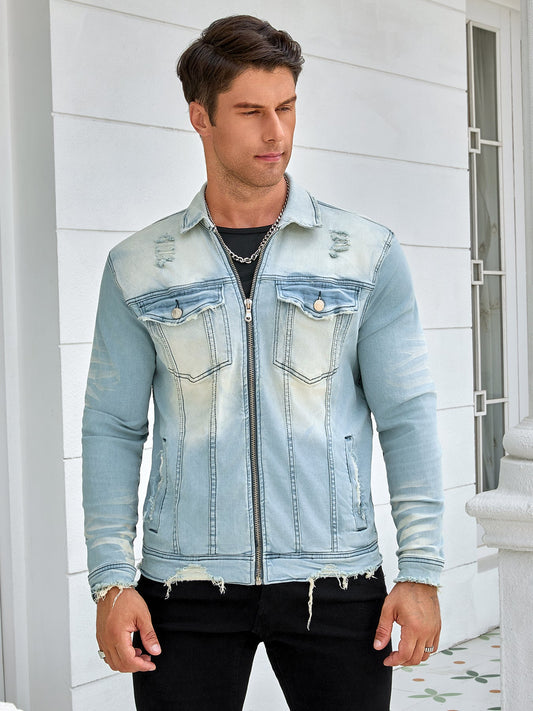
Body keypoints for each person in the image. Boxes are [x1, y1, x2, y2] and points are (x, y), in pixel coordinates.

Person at [82, 15, 444, 711]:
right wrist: (111, 580)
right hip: (184, 586)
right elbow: (112, 427)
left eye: (286, 107)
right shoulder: (139, 265)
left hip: (337, 580)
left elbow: (407, 416)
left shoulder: (364, 253)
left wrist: (421, 570)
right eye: (250, 112)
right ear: (201, 117)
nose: (275, 132)